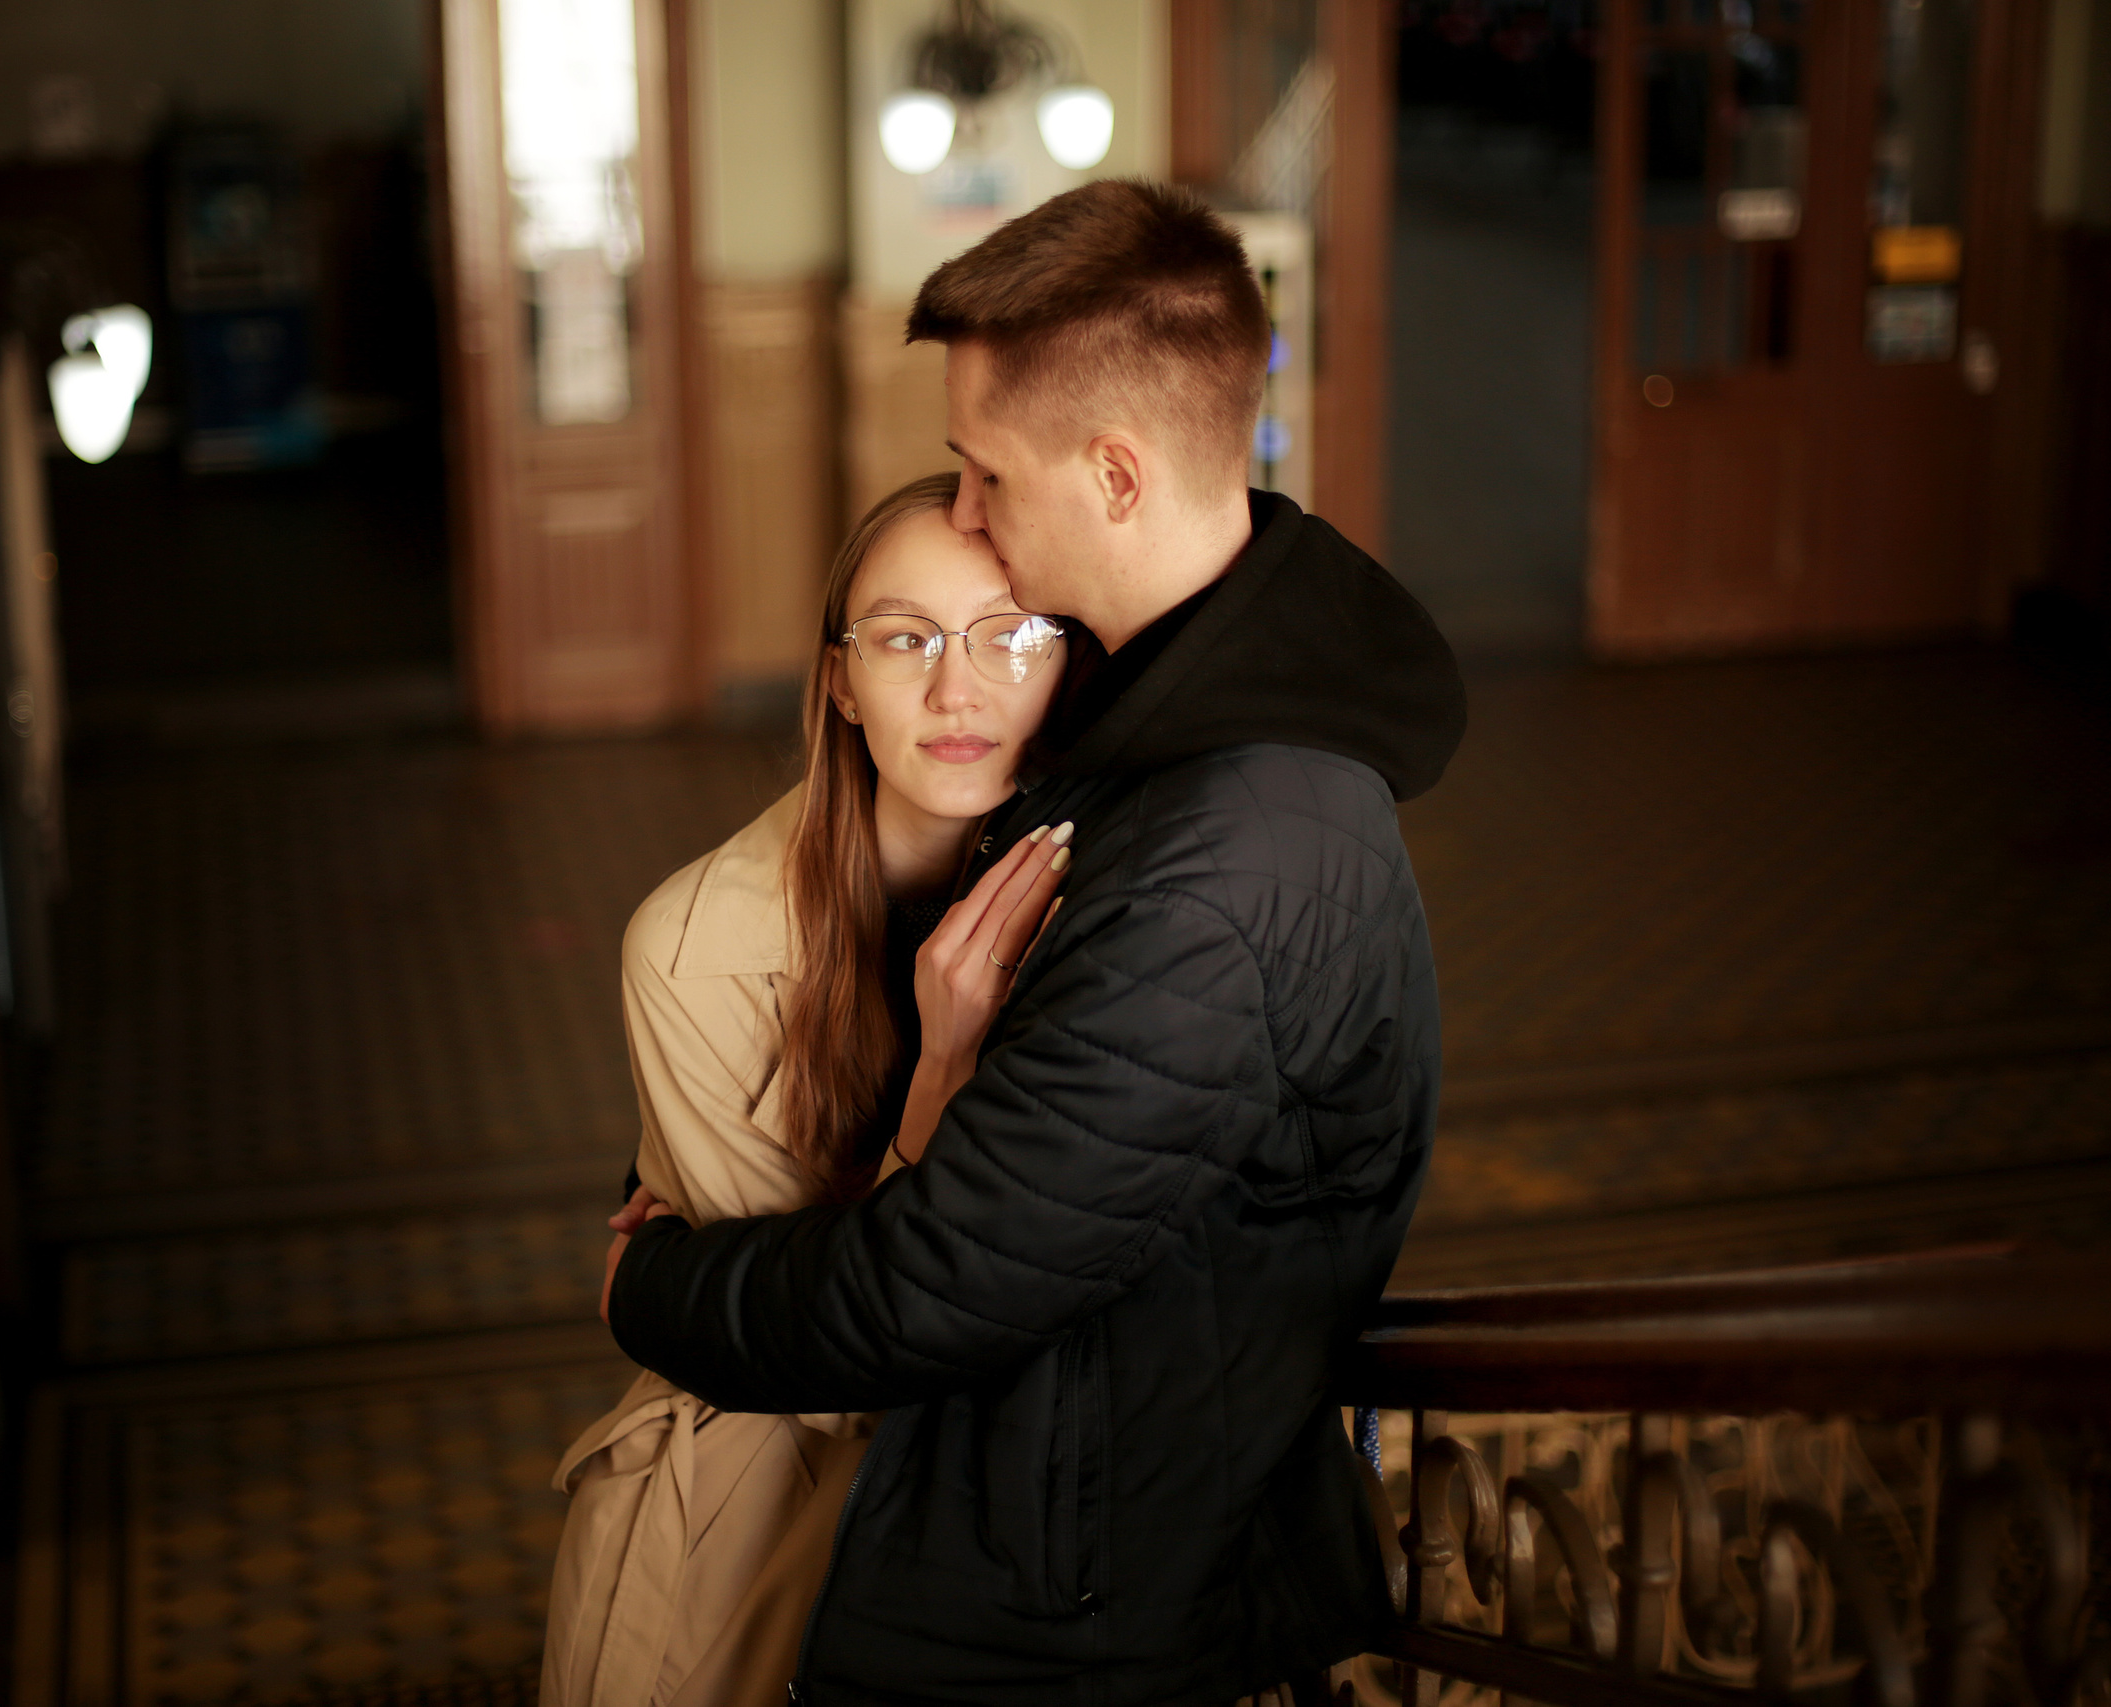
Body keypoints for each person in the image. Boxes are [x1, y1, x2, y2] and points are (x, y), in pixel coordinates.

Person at [605, 180, 1469, 1706]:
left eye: (985, 470)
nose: (964, 513)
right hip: (1063, 1529)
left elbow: (923, 1283)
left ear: (1116, 476)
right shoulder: (1158, 727)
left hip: (1075, 1615)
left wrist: (648, 1290)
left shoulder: (1220, 865)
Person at [541, 473, 1077, 1706]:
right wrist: (942, 1064)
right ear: (839, 680)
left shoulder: (1134, 892)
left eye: (1012, 637)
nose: (958, 690)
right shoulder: (689, 945)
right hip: (767, 1511)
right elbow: (832, 1336)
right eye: (905, 640)